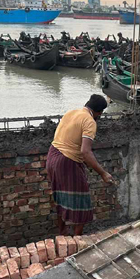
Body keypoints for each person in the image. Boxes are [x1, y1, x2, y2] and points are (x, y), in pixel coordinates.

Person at [47, 95, 114, 236]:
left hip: (52, 156)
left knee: (60, 197)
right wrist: (103, 173)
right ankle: (77, 240)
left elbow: (69, 139)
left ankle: (62, 234)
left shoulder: (70, 112)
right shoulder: (90, 121)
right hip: (66, 161)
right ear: (99, 112)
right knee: (81, 201)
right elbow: (85, 151)